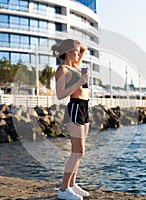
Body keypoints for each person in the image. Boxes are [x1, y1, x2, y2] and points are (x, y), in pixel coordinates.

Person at [51, 39, 90, 200]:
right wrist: (80, 82)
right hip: (75, 107)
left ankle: (72, 185)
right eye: (76, 51)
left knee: (80, 152)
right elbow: (60, 94)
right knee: (77, 151)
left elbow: (84, 48)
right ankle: (63, 188)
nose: (79, 53)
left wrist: (77, 45)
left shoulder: (74, 66)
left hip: (84, 107)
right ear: (68, 52)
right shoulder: (62, 69)